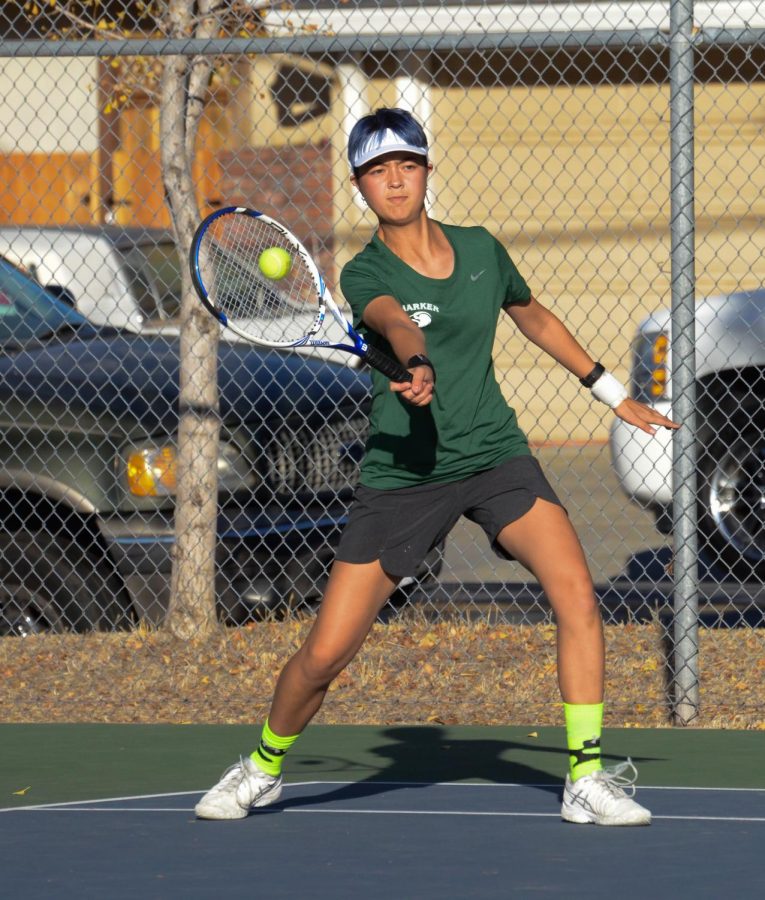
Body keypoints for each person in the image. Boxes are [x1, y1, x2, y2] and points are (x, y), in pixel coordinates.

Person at [195, 108, 679, 826]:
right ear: (360, 187)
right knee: (326, 654)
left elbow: (532, 313)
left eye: (406, 165)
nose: (393, 180)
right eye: (376, 171)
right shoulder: (365, 272)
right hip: (404, 478)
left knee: (575, 592)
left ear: (425, 170)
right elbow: (396, 320)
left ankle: (584, 777)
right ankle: (263, 765)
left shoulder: (481, 249)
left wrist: (611, 392)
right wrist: (414, 361)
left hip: (493, 455)